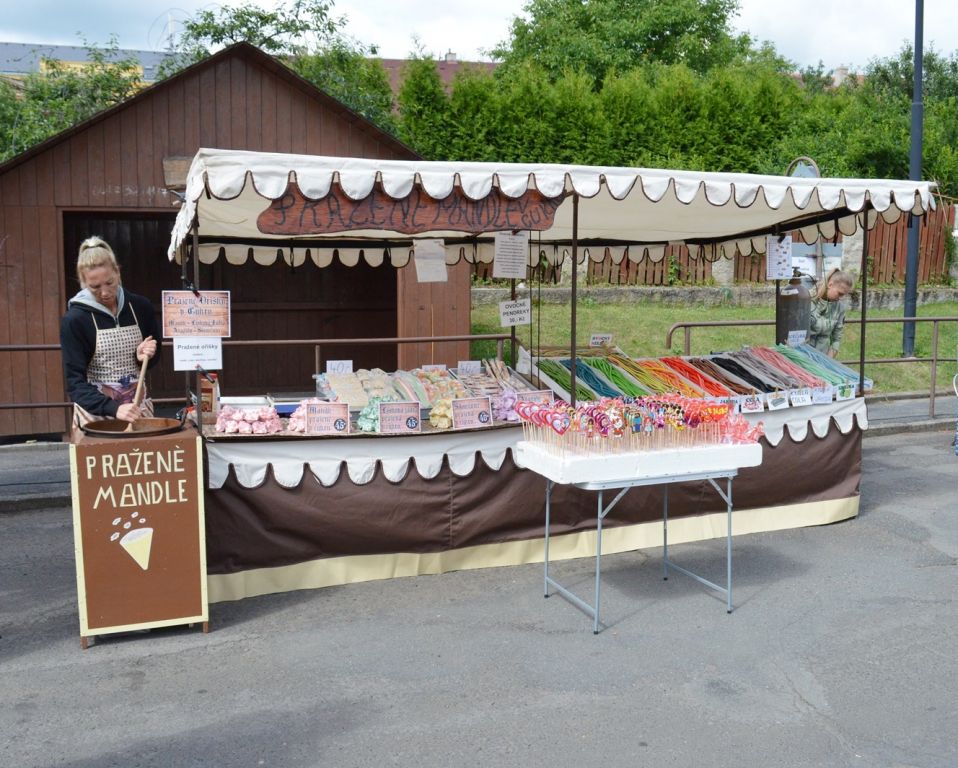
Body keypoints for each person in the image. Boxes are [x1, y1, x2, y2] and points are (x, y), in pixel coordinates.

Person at [60, 237, 160, 426]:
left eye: (110, 282)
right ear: (83, 282)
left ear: (117, 272)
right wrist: (114, 408)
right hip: (95, 415)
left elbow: (153, 361)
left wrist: (141, 357)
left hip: (138, 410)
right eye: (95, 287)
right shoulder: (75, 320)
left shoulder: (141, 307)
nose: (105, 293)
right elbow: (75, 383)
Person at [808, 268, 854, 358]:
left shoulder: (840, 308)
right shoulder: (806, 299)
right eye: (840, 293)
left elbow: (836, 339)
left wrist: (828, 360)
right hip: (802, 355)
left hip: (822, 357)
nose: (841, 298)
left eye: (844, 295)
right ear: (830, 285)